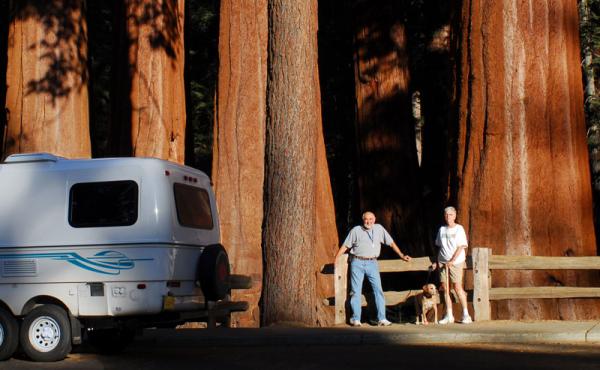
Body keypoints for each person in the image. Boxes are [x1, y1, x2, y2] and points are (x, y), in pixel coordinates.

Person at [335, 211, 411, 327]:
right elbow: (346, 245)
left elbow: (391, 243)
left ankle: (382, 319)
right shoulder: (356, 230)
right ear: (363, 219)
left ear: (374, 219)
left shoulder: (379, 229)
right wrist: (336, 259)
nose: (368, 221)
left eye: (371, 219)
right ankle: (356, 319)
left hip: (372, 263)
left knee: (378, 290)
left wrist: (401, 255)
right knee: (355, 291)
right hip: (357, 262)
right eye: (366, 219)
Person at [433, 206, 472, 324]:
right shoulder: (442, 229)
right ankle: (449, 315)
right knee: (445, 288)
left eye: (450, 215)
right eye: (446, 215)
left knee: (457, 287)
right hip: (443, 262)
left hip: (455, 262)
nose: (448, 217)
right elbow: (440, 247)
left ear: (454, 216)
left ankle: (466, 314)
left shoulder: (459, 229)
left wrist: (452, 260)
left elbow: (461, 246)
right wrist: (437, 261)